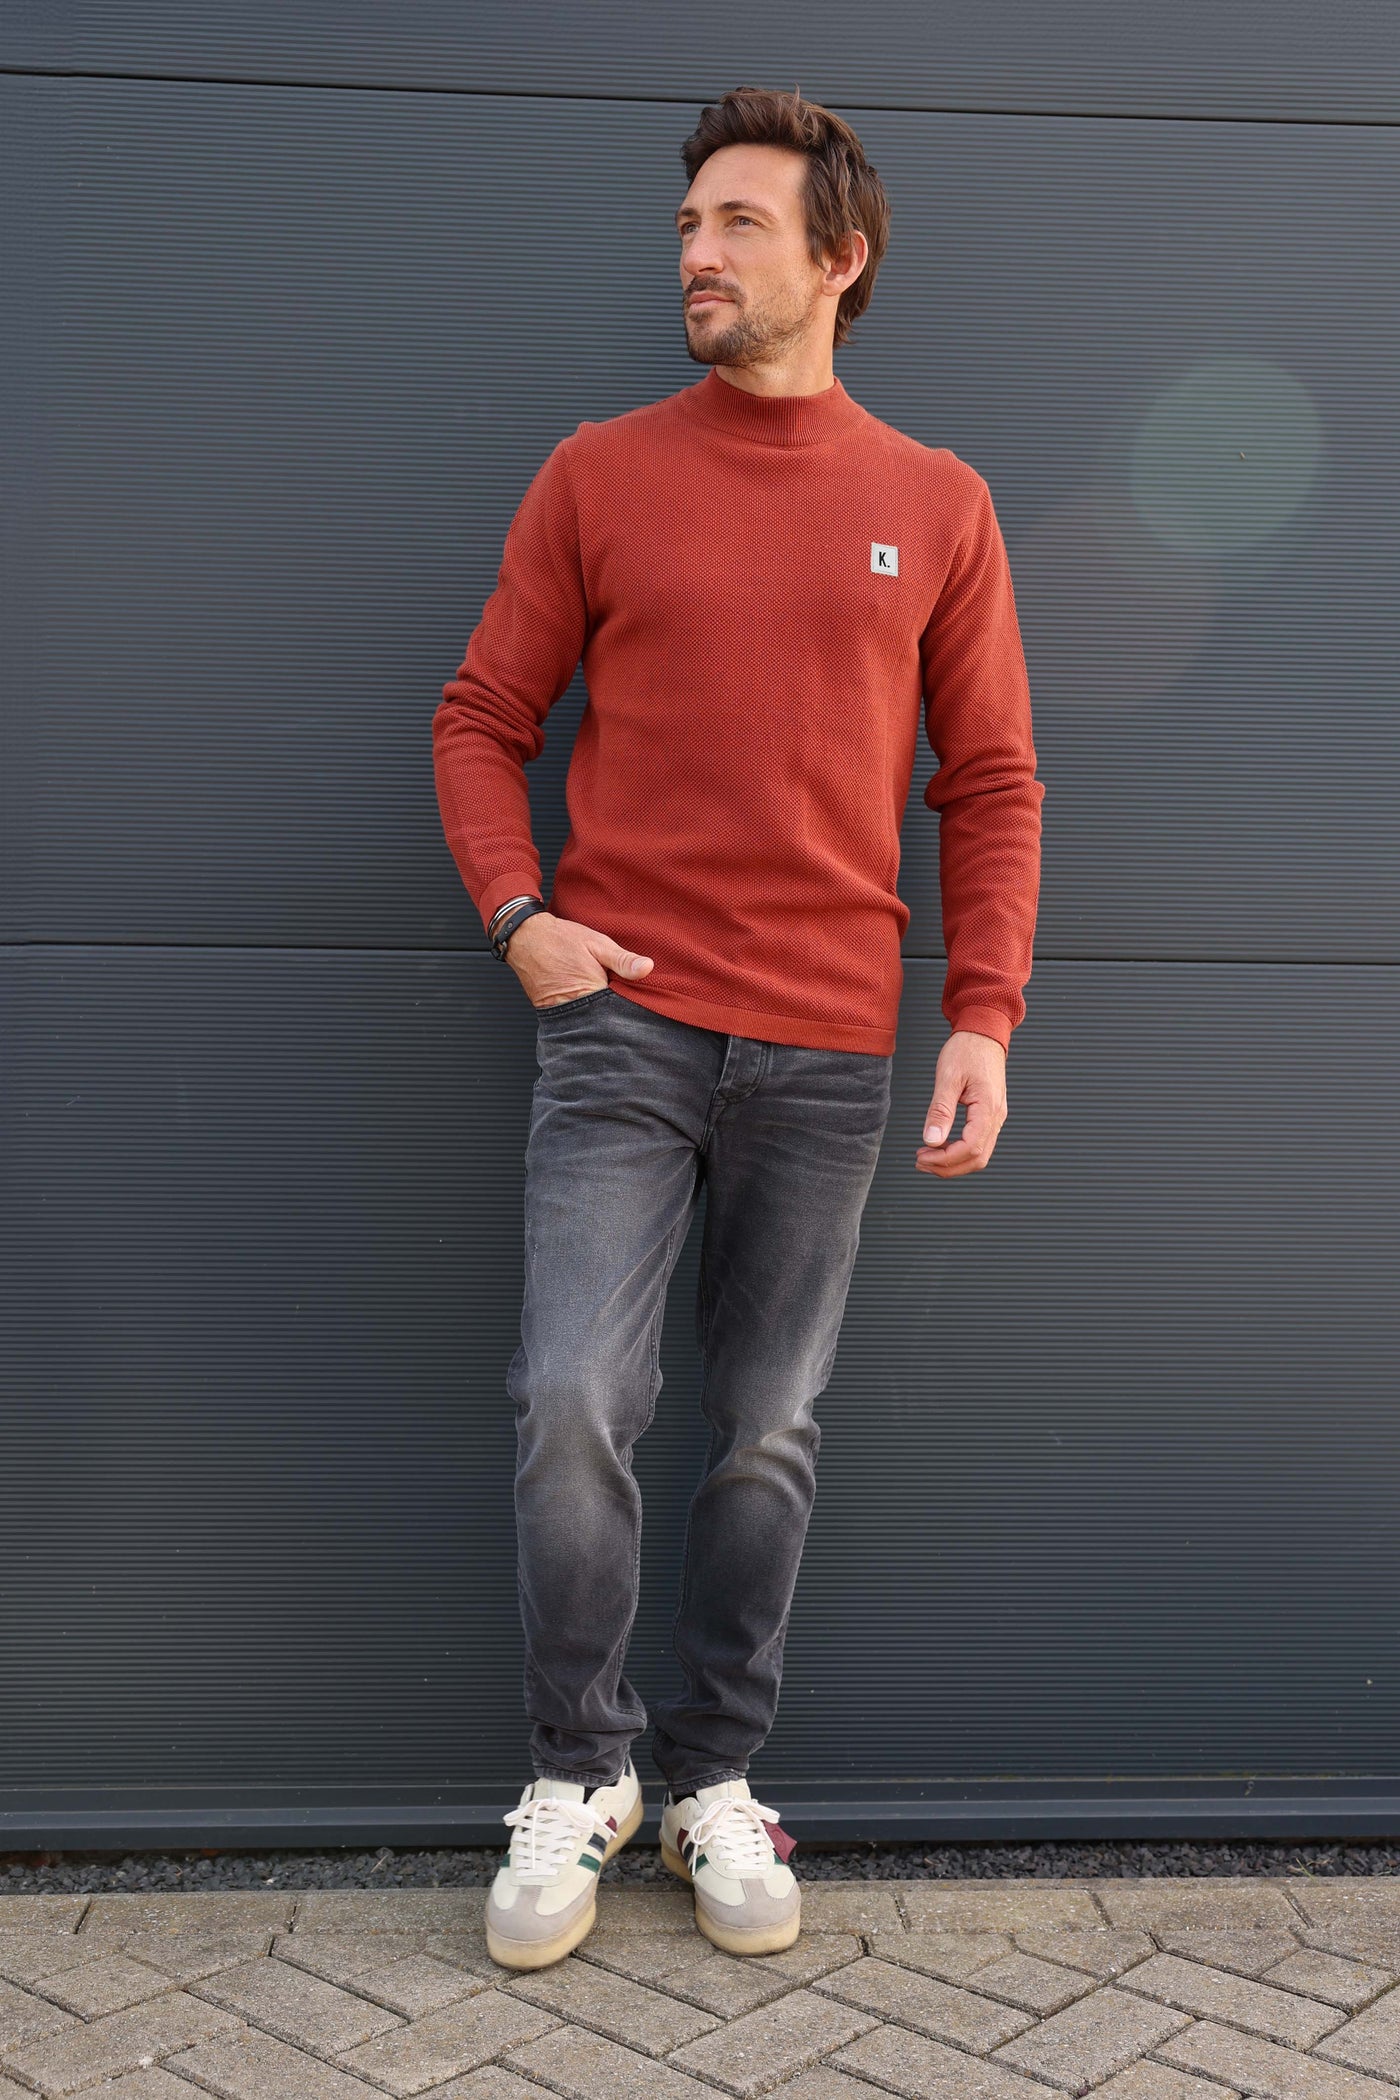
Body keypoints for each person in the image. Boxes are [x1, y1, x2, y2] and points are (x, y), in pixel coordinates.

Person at [432, 82, 1044, 1972]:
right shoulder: (599, 474)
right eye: (688, 223)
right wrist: (521, 918)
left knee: (769, 1430)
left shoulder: (937, 503)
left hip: (831, 1047)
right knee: (572, 1404)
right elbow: (480, 719)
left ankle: (714, 1776)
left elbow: (992, 781)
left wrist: (984, 1012)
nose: (696, 253)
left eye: (738, 224)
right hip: (622, 1032)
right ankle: (581, 1769)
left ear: (838, 260)